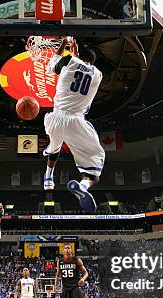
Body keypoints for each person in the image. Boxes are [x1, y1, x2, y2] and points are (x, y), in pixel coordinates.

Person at [43, 37, 104, 213]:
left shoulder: (69, 60)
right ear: (92, 61)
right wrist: (76, 54)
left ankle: (48, 177)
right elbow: (81, 65)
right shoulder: (98, 75)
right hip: (76, 121)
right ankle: (83, 186)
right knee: (94, 169)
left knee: (55, 147)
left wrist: (63, 46)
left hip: (55, 118)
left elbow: (55, 63)